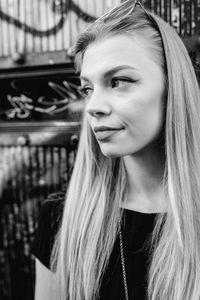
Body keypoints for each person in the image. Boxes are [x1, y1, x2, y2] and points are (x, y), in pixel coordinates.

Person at [31, 0, 200, 299]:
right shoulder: (63, 218)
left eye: (119, 81)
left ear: (173, 87)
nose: (93, 106)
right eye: (88, 88)